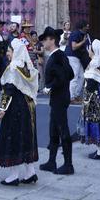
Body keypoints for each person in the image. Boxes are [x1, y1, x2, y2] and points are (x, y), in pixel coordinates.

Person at [0, 38, 39, 185]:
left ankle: (13, 176)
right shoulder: (27, 66)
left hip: (15, 108)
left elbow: (8, 91)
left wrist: (2, 109)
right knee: (26, 137)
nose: (7, 53)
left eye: (9, 51)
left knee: (12, 138)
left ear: (16, 52)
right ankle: (30, 172)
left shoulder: (13, 67)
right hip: (27, 106)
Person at [38, 25, 73, 175]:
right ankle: (52, 161)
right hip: (57, 98)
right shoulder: (56, 55)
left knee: (62, 129)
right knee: (53, 130)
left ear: (52, 40)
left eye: (44, 40)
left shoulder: (58, 55)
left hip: (60, 97)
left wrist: (49, 87)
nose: (43, 43)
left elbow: (67, 75)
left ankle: (68, 164)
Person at [67, 20, 90, 102]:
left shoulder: (83, 34)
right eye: (86, 25)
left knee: (82, 76)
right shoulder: (76, 33)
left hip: (78, 58)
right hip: (72, 57)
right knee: (74, 76)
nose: (88, 27)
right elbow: (74, 47)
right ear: (82, 26)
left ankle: (76, 95)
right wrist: (83, 41)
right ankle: (71, 97)